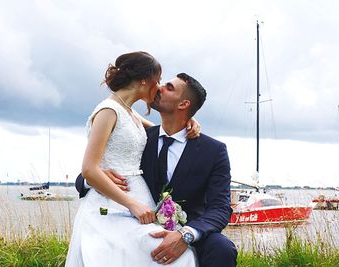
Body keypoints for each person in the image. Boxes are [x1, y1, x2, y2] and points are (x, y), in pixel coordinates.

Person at [76, 72, 238, 266]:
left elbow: (220, 208)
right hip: (139, 223)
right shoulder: (141, 139)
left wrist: (186, 234)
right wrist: (94, 178)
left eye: (169, 87)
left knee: (222, 248)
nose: (158, 87)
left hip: (189, 226)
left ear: (183, 104)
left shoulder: (214, 151)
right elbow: (86, 175)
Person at [66, 51, 198, 266]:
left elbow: (162, 130)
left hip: (139, 199)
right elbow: (89, 169)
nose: (160, 86)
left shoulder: (128, 112)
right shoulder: (108, 111)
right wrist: (132, 205)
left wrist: (189, 122)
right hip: (112, 205)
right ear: (146, 79)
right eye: (159, 79)